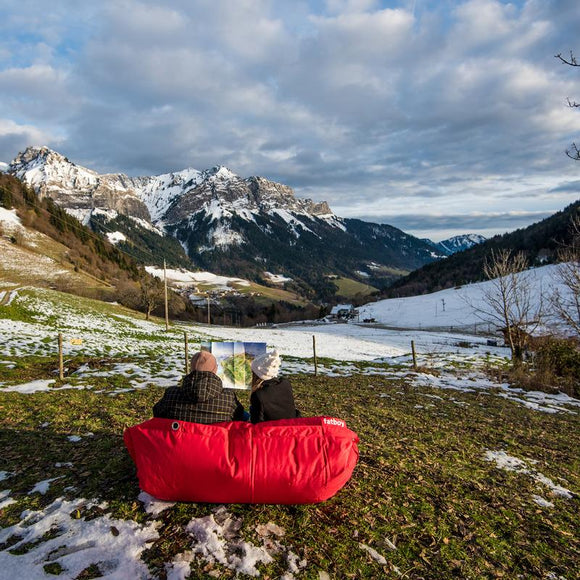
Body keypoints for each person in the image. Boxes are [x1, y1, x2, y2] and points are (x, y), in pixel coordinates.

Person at [153, 350, 246, 424]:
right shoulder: (228, 398)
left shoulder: (171, 394)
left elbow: (157, 413)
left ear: (191, 368)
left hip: (178, 446)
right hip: (215, 447)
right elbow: (241, 418)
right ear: (215, 370)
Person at [250, 350, 301, 424]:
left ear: (257, 375)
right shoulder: (285, 383)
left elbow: (257, 424)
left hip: (273, 432)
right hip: (292, 427)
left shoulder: (259, 395)